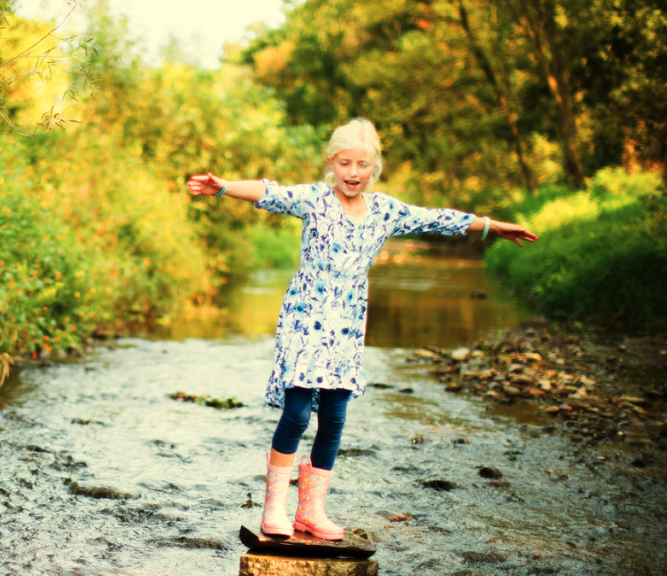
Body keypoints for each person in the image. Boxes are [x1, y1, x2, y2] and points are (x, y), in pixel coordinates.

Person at [187, 118, 538, 540]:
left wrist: (492, 226)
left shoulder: (385, 210)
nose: (353, 173)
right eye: (345, 163)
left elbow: (436, 219)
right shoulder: (315, 199)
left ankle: (311, 512)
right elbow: (270, 192)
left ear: (375, 168)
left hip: (349, 324)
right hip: (306, 317)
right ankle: (274, 510)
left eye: (362, 165)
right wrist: (223, 186)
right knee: (298, 413)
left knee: (334, 417)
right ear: (331, 163)